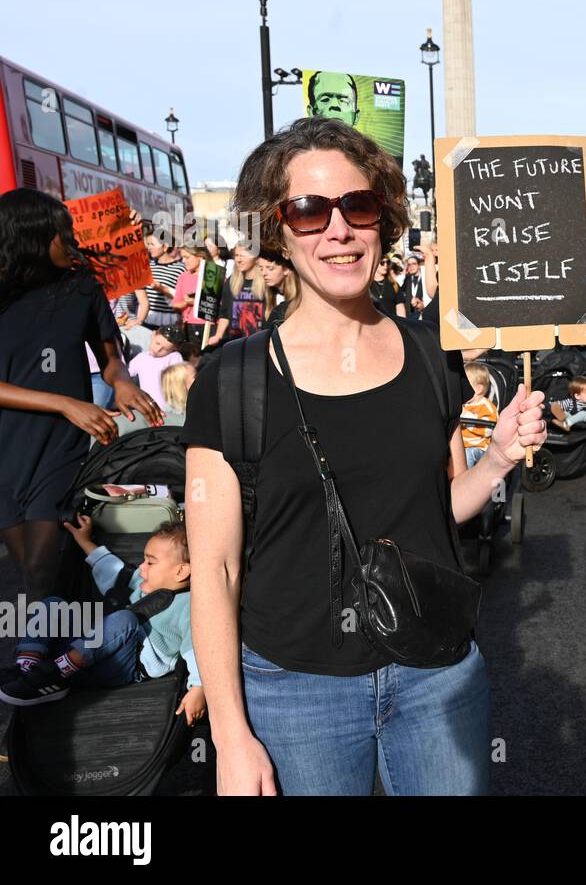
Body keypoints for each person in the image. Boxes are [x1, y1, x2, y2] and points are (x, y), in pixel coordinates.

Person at [181, 116, 548, 796]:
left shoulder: (432, 358)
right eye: (309, 210)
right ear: (277, 230)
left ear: (383, 218)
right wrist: (230, 738)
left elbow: (443, 510)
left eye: (358, 205)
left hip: (436, 673)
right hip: (295, 693)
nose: (338, 229)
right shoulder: (230, 381)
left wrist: (496, 461)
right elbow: (216, 570)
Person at [0, 189, 163, 601]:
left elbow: (111, 359)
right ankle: (60, 645)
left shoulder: (82, 289)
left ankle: (32, 658)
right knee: (31, 569)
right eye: (62, 234)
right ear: (31, 237)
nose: (72, 242)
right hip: (7, 447)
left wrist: (123, 382)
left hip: (60, 444)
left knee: (38, 569)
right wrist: (67, 403)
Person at [1, 517, 204, 723]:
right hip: (94, 648)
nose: (142, 567)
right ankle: (27, 666)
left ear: (181, 571)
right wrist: (84, 541)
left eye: (150, 562)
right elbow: (114, 570)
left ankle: (55, 673)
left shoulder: (189, 607)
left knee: (125, 618)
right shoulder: (144, 582)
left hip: (124, 666)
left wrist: (199, 688)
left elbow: (198, 650)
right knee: (54, 604)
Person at [217, 244, 269, 342]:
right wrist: (218, 336)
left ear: (255, 258)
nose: (239, 260)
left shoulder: (266, 281)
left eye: (243, 256)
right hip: (235, 342)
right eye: (236, 255)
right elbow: (224, 314)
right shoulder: (231, 281)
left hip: (259, 341)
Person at [141, 228, 184, 332]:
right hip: (146, 320)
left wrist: (162, 289)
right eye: (148, 244)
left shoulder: (180, 269)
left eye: (152, 244)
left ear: (165, 246)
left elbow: (181, 297)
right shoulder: (147, 267)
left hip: (169, 322)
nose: (149, 248)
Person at [127, 328, 184, 406]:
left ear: (174, 349)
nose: (157, 350)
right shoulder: (141, 357)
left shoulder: (174, 357)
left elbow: (179, 379)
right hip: (146, 405)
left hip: (168, 408)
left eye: (165, 349)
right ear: (154, 335)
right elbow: (126, 374)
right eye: (157, 343)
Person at [461, 362, 498, 467]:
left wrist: (468, 417)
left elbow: (489, 430)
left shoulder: (486, 406)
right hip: (460, 446)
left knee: (468, 454)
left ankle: (466, 480)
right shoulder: (462, 404)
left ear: (478, 389)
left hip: (479, 447)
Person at [258, 252, 299, 327]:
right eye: (261, 268)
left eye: (270, 268)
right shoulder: (265, 295)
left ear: (286, 269)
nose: (264, 273)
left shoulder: (299, 297)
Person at [369, 255, 404, 320]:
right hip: (372, 324)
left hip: (392, 324)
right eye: (382, 262)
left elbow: (400, 307)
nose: (385, 265)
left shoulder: (394, 284)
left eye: (387, 262)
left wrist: (403, 325)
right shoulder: (368, 285)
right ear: (375, 264)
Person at [399, 252, 430, 320]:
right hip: (409, 314)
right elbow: (399, 289)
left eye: (414, 264)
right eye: (409, 264)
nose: (411, 266)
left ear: (419, 265)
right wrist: (404, 273)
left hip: (422, 313)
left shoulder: (425, 278)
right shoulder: (407, 277)